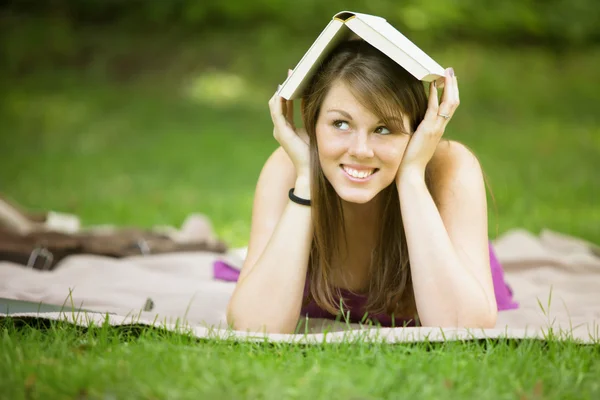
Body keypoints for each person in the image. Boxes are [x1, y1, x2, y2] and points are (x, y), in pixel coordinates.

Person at [226, 40, 514, 334]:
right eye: (340, 124)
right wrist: (306, 181)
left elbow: (463, 327)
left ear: (418, 131)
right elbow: (253, 326)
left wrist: (412, 175)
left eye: (384, 129)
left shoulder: (451, 166)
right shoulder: (288, 166)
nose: (361, 150)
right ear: (312, 121)